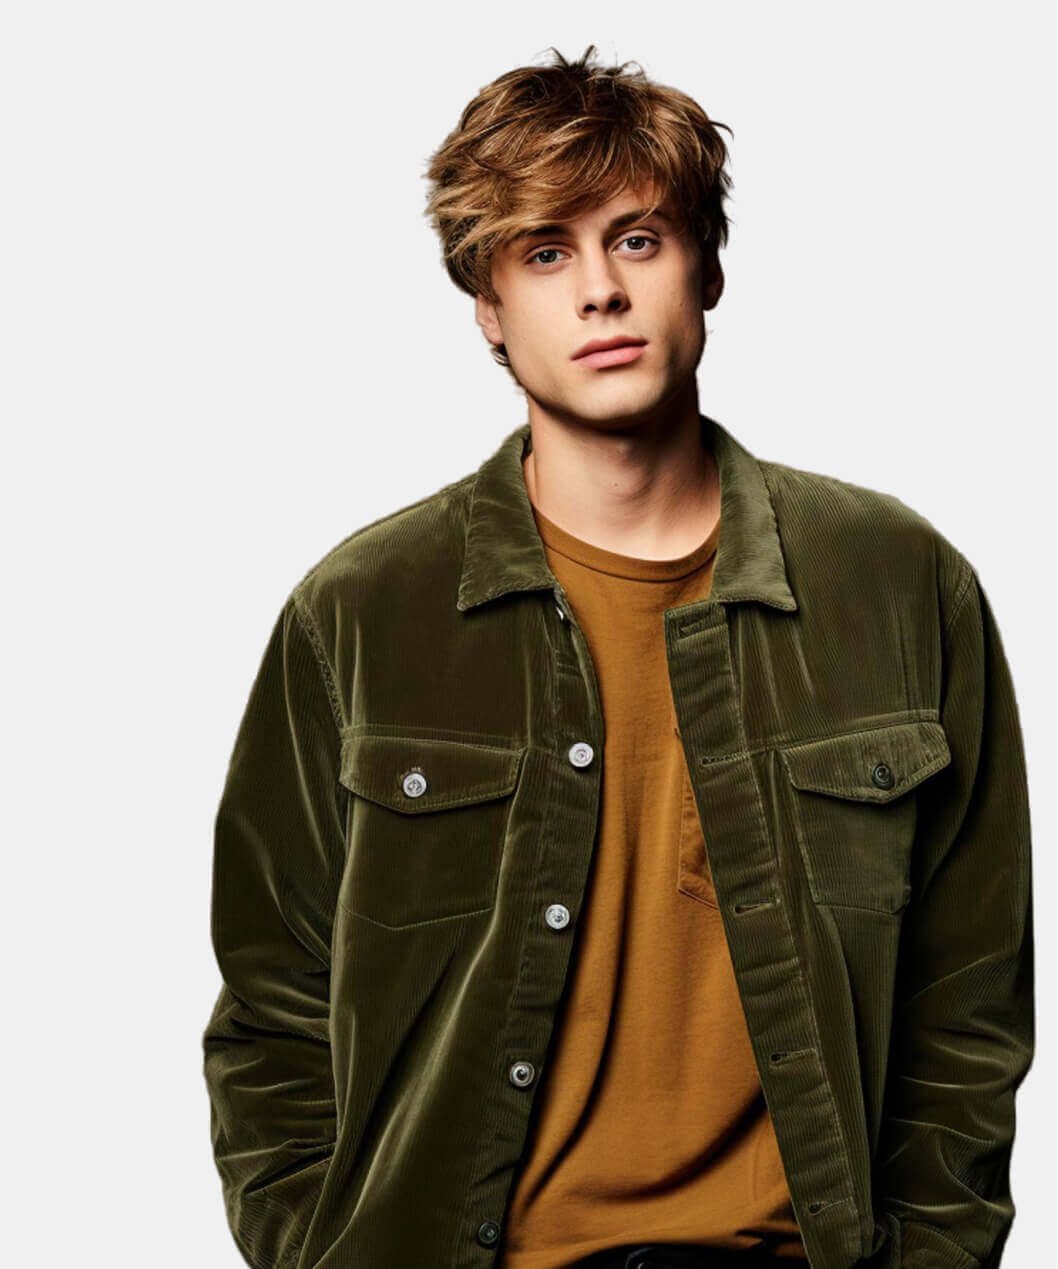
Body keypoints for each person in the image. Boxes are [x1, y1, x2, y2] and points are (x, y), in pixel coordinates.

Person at [201, 45, 1034, 1269]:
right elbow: (272, 1018)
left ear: (706, 265)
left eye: (636, 240)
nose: (599, 291)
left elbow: (967, 1004)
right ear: (487, 308)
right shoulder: (362, 613)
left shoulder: (897, 584)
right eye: (544, 254)